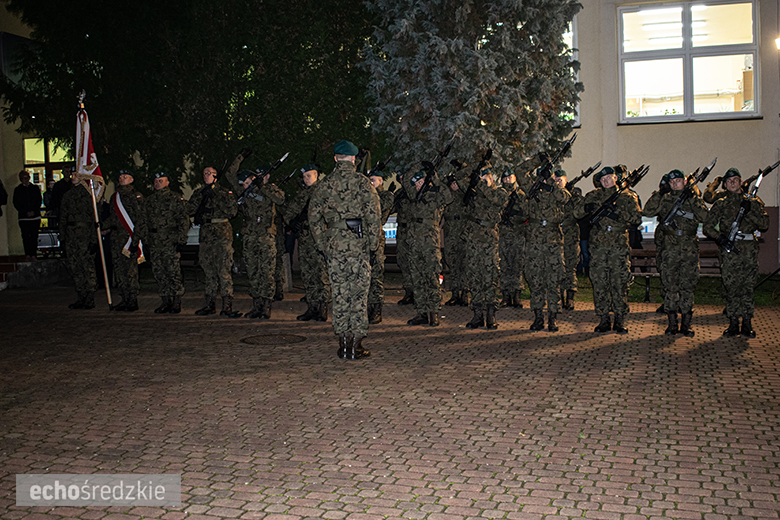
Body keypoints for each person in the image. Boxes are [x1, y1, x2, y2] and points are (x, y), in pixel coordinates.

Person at [308, 140, 381, 360]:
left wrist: (322, 243)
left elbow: (313, 217)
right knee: (358, 295)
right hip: (358, 245)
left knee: (339, 294)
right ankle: (356, 344)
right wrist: (373, 244)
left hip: (335, 245)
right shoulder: (362, 183)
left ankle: (343, 344)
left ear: (335, 159)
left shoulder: (325, 184)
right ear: (353, 158)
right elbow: (374, 216)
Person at [574, 166, 642, 333]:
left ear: (615, 178)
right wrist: (586, 208)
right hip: (598, 247)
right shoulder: (593, 195)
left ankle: (620, 319)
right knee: (599, 283)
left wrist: (617, 213)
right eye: (602, 178)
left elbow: (637, 218)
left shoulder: (627, 197)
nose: (605, 180)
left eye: (609, 177)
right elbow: (576, 213)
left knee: (619, 283)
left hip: (618, 246)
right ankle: (604, 318)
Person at [704, 167, 769, 337]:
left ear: (741, 182)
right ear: (725, 185)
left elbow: (764, 224)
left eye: (735, 179)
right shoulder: (721, 203)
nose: (732, 182)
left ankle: (747, 323)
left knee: (747, 287)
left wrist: (749, 212)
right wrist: (720, 238)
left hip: (748, 250)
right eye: (729, 181)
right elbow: (707, 227)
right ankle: (733, 322)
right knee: (731, 286)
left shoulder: (753, 202)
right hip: (730, 250)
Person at [643, 169, 709, 336]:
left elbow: (705, 217)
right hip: (669, 248)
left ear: (684, 182)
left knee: (687, 286)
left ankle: (686, 324)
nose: (674, 184)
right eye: (671, 182)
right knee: (670, 285)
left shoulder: (693, 198)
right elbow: (648, 211)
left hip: (688, 248)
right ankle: (672, 323)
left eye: (677, 181)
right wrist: (659, 193)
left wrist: (693, 198)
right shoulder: (665, 198)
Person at [226, 150, 286, 319]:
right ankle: (256, 305)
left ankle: (266, 306)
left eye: (247, 182)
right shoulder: (244, 191)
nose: (244, 186)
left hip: (266, 237)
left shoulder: (268, 190)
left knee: (266, 272)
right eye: (243, 183)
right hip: (250, 237)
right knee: (252, 272)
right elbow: (230, 174)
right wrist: (241, 157)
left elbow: (281, 200)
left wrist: (262, 186)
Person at [458, 165, 509, 330]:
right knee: (474, 277)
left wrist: (479, 183)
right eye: (480, 178)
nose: (481, 181)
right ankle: (477, 315)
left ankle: (491, 315)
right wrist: (467, 168)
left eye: (484, 177)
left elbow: (497, 200)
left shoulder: (499, 192)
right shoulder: (475, 192)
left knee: (490, 277)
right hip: (473, 239)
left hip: (488, 241)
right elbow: (459, 179)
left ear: (491, 178)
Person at [520, 168, 570, 332]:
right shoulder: (532, 188)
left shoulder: (555, 189)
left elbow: (565, 198)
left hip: (553, 242)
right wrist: (537, 162)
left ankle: (553, 318)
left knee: (553, 280)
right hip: (534, 242)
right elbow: (520, 172)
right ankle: (538, 317)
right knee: (535, 281)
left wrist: (552, 184)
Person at [186, 166, 239, 316]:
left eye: (209, 173)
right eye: (204, 173)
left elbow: (232, 211)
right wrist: (202, 197)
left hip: (222, 233)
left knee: (223, 270)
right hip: (206, 234)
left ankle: (227, 304)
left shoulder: (223, 193)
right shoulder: (200, 192)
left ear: (215, 176)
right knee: (208, 271)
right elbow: (189, 210)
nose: (205, 176)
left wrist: (214, 197)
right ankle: (209, 304)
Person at [403, 168, 453, 326]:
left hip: (430, 242)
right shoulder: (414, 196)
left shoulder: (436, 194)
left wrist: (436, 179)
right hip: (414, 242)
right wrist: (417, 165)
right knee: (417, 278)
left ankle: (434, 311)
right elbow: (405, 181)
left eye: (420, 182)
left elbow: (449, 197)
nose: (417, 185)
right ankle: (421, 312)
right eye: (415, 183)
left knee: (432, 277)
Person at [282, 164, 331, 321]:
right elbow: (289, 211)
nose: (306, 179)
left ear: (316, 174)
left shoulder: (324, 192)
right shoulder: (302, 194)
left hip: (319, 239)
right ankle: (312, 307)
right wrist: (291, 222)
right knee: (308, 274)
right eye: (304, 177)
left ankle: (323, 308)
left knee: (321, 274)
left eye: (308, 176)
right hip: (304, 239)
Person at [145, 172, 190, 314]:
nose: (158, 183)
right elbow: (144, 221)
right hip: (155, 241)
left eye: (161, 180)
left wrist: (181, 239)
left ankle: (176, 300)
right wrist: (145, 240)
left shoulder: (175, 199)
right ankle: (165, 300)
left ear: (167, 182)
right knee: (159, 272)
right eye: (156, 181)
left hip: (170, 240)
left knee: (172, 271)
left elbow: (184, 220)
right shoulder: (149, 200)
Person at [103, 169, 147, 311]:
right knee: (119, 270)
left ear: (132, 179)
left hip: (129, 237)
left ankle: (132, 300)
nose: (122, 179)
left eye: (125, 176)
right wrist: (102, 225)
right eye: (120, 176)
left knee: (130, 271)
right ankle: (124, 298)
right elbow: (113, 217)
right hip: (116, 239)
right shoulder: (114, 196)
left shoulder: (136, 196)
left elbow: (140, 220)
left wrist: (136, 240)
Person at [59, 172, 98, 309]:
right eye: (72, 174)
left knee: (87, 266)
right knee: (75, 266)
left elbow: (94, 219)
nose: (72, 176)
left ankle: (90, 296)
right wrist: (62, 237)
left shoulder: (88, 195)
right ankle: (81, 295)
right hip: (71, 236)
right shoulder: (67, 195)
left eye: (75, 174)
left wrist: (94, 239)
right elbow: (63, 217)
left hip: (85, 235)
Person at [367, 169, 395, 324]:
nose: (371, 182)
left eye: (374, 179)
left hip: (377, 237)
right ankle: (368, 308)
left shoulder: (385, 196)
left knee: (376, 275)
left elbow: (378, 208)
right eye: (369, 179)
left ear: (381, 181)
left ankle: (377, 310)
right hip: (365, 238)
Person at [498, 170, 526, 308]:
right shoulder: (499, 194)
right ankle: (505, 296)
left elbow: (527, 213)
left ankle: (517, 296)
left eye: (510, 177)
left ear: (515, 178)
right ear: (502, 180)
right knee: (504, 266)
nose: (508, 179)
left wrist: (516, 214)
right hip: (502, 235)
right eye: (505, 178)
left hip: (517, 235)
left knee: (517, 266)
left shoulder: (521, 195)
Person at [442, 166, 470, 307]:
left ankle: (464, 293)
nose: (454, 185)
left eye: (456, 183)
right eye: (452, 183)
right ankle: (454, 293)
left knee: (464, 263)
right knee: (452, 263)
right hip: (450, 233)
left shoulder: (465, 194)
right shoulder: (447, 197)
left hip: (463, 232)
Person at [556, 170, 582, 310]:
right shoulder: (553, 195)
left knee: (570, 268)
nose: (558, 182)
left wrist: (573, 196)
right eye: (556, 180)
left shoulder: (573, 196)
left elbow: (579, 211)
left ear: (566, 180)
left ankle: (570, 298)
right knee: (558, 269)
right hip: (556, 237)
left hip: (570, 236)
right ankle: (559, 298)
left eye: (560, 180)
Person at [13, 170, 43, 261]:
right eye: (23, 178)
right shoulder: (18, 190)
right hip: (24, 218)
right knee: (26, 237)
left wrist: (34, 211)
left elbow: (38, 200)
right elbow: (16, 203)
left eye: (26, 178)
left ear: (29, 178)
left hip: (35, 217)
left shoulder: (35, 188)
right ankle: (28, 255)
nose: (25, 180)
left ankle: (33, 254)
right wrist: (25, 212)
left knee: (34, 236)